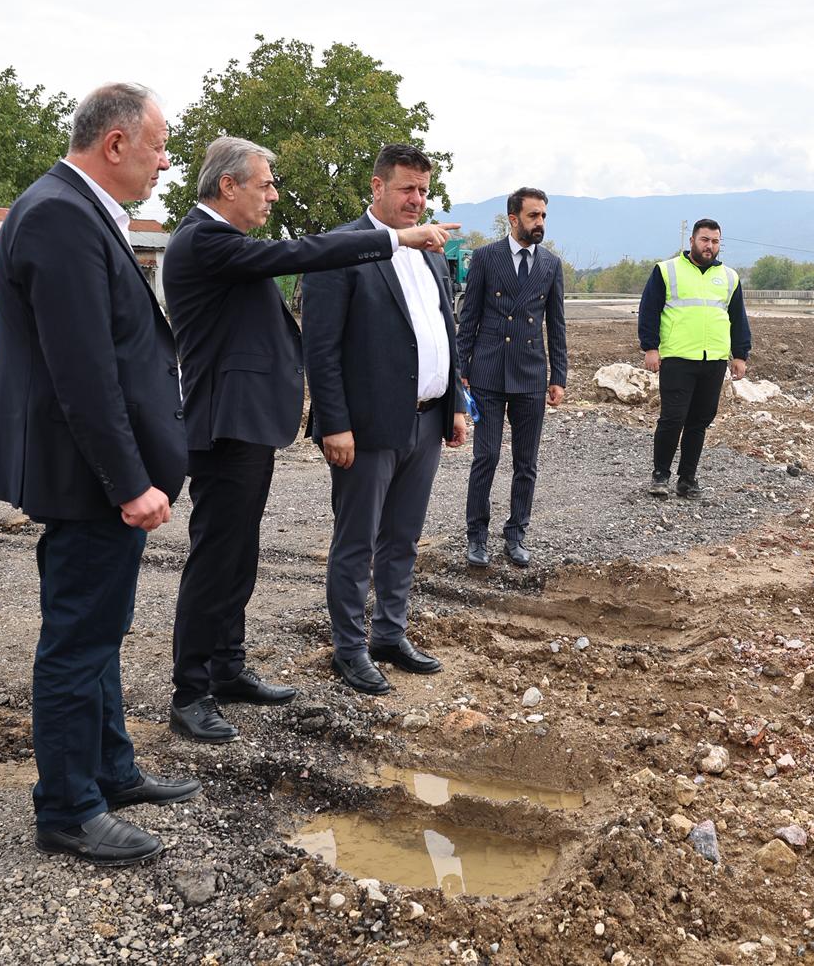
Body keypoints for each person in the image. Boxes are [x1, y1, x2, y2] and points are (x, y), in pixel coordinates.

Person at [162, 137, 457, 742]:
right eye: (265, 184)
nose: (274, 194)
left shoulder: (226, 244)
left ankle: (227, 667)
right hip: (223, 424)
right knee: (216, 560)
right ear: (228, 186)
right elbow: (302, 257)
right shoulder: (203, 239)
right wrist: (394, 239)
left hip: (247, 425)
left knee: (238, 556)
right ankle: (191, 692)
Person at [0, 82, 196, 867]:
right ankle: (68, 808)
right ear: (115, 144)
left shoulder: (71, 209)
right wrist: (130, 481)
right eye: (159, 145)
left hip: (93, 475)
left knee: (99, 629)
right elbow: (84, 373)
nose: (166, 161)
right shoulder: (61, 216)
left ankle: (110, 769)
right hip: (91, 478)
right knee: (77, 641)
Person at [302, 143, 466, 696]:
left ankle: (388, 635)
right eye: (406, 189)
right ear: (376, 187)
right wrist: (333, 423)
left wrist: (456, 405)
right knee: (357, 542)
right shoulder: (343, 250)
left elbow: (446, 330)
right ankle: (348, 649)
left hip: (425, 422)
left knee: (403, 538)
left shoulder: (432, 252)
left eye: (423, 190)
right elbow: (319, 348)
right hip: (366, 428)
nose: (416, 200)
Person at [455, 187, 567, 567]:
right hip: (487, 373)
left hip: (531, 374)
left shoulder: (550, 264)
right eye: (534, 216)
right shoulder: (487, 257)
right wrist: (461, 369)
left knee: (526, 462)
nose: (540, 223)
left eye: (544, 216)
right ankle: (477, 536)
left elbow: (557, 324)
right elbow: (468, 317)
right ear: (513, 218)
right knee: (485, 457)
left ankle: (516, 533)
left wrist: (559, 376)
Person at [637, 218, 752, 498]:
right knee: (673, 418)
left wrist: (740, 355)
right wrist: (650, 348)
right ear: (692, 242)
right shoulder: (667, 271)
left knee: (699, 421)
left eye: (714, 241)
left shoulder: (729, 277)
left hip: (713, 361)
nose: (709, 246)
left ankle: (687, 478)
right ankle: (660, 475)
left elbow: (737, 318)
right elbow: (649, 310)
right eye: (704, 240)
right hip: (678, 357)